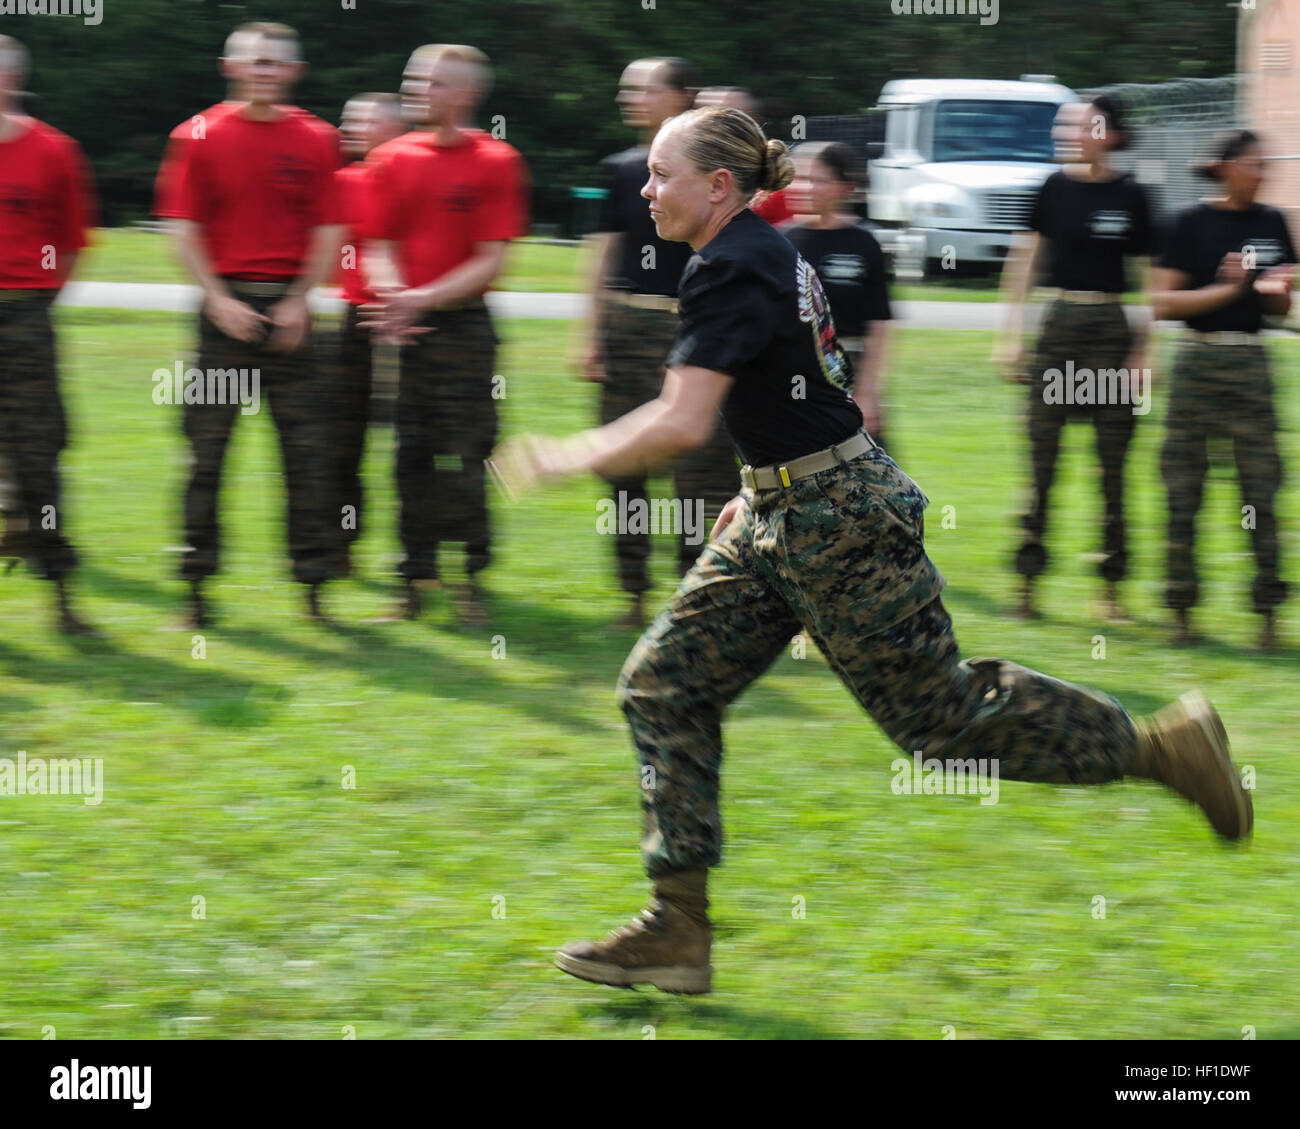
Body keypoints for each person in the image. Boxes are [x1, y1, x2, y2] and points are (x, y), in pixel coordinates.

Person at [488, 106, 1253, 996]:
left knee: (941, 722)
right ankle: (677, 929)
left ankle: (1162, 747)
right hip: (781, 508)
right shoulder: (762, 251)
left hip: (835, 516)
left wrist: (562, 455)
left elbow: (682, 419)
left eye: (662, 173)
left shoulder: (732, 263)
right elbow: (796, 391)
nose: (646, 189)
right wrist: (754, 495)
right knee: (664, 683)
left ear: (719, 185)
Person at [169, 22, 344, 627]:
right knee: (204, 457)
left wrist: (299, 299)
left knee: (307, 457)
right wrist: (216, 300)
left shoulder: (318, 138)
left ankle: (313, 590)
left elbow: (327, 229)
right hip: (223, 317)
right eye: (255, 62)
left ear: (293, 72)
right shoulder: (196, 134)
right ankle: (194, 591)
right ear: (230, 67)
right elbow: (183, 227)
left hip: (292, 318)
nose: (265, 71)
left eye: (276, 63)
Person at [362, 44, 528, 625]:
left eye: (431, 82)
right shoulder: (389, 157)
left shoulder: (496, 161)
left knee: (466, 455)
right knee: (410, 456)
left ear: (466, 94)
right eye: (412, 79)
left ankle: (469, 580)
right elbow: (377, 242)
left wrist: (419, 299)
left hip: (464, 331)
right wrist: (391, 295)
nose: (415, 89)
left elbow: (491, 261)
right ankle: (413, 579)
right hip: (408, 332)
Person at [584, 57, 739, 628]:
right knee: (625, 464)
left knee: (698, 470)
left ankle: (695, 595)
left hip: (691, 324)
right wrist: (591, 334)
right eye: (626, 88)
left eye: (646, 89)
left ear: (682, 97)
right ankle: (631, 592)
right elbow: (602, 257)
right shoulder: (622, 170)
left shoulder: (716, 176)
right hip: (627, 324)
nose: (632, 98)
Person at [995, 95, 1156, 622]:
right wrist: (1011, 334)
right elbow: (1025, 260)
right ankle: (1027, 586)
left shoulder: (1132, 195)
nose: (1069, 132)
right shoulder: (1052, 189)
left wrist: (1142, 353)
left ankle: (1110, 594)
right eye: (1065, 125)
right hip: (1059, 328)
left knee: (1112, 468)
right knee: (1042, 464)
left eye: (1080, 124)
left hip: (1111, 331)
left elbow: (1153, 281)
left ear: (1108, 132)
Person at [1150, 130, 1295, 650]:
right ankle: (1182, 613)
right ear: (1227, 166)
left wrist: (1277, 294)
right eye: (1254, 164)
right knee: (1185, 489)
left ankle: (1268, 618)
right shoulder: (1189, 223)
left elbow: (1277, 306)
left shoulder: (1273, 222)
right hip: (1198, 362)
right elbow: (1162, 304)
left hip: (1251, 363)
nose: (1263, 173)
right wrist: (1227, 288)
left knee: (1261, 490)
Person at [0, 35, 100, 635]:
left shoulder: (55, 151)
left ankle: (62, 601)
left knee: (40, 460)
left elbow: (69, 242)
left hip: (26, 320)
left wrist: (35, 302)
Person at [326, 92, 404, 575]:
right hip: (353, 320)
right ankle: (344, 548)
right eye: (347, 117)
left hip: (407, 319)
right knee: (342, 440)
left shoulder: (411, 174)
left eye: (365, 120)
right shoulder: (338, 182)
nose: (350, 127)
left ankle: (411, 555)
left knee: (406, 445)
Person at [784, 140, 894, 456]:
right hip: (799, 368)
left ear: (844, 186)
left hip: (850, 366)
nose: (805, 187)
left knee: (868, 464)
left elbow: (880, 324)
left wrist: (869, 391)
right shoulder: (784, 242)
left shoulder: (865, 243)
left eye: (816, 179)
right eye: (800, 177)